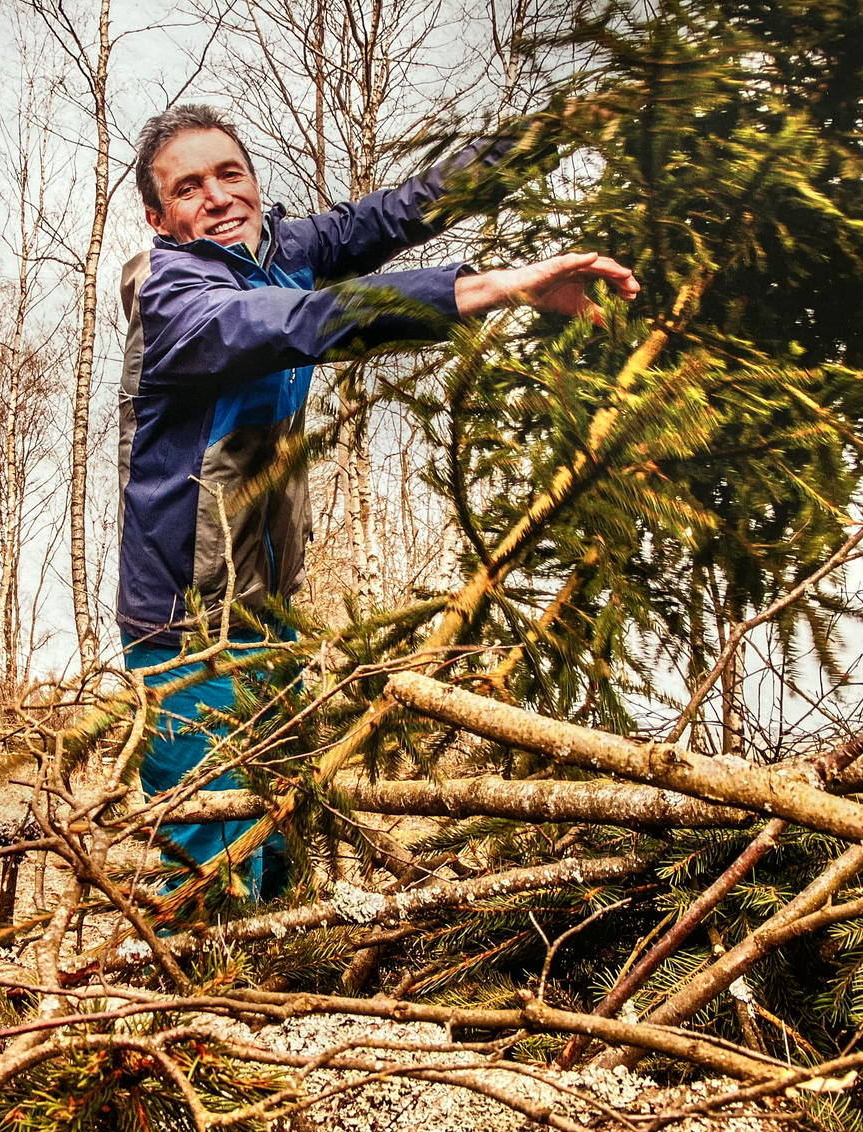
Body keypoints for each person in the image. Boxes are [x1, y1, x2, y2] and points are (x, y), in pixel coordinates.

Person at [117, 104, 637, 898]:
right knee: (210, 853)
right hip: (185, 621)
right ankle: (187, 1001)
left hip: (266, 610)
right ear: (159, 220)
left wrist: (543, 135)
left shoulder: (283, 250)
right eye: (188, 190)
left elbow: (402, 210)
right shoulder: (174, 298)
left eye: (231, 174)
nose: (219, 197)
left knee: (280, 833)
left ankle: (278, 985)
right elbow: (303, 321)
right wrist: (494, 287)